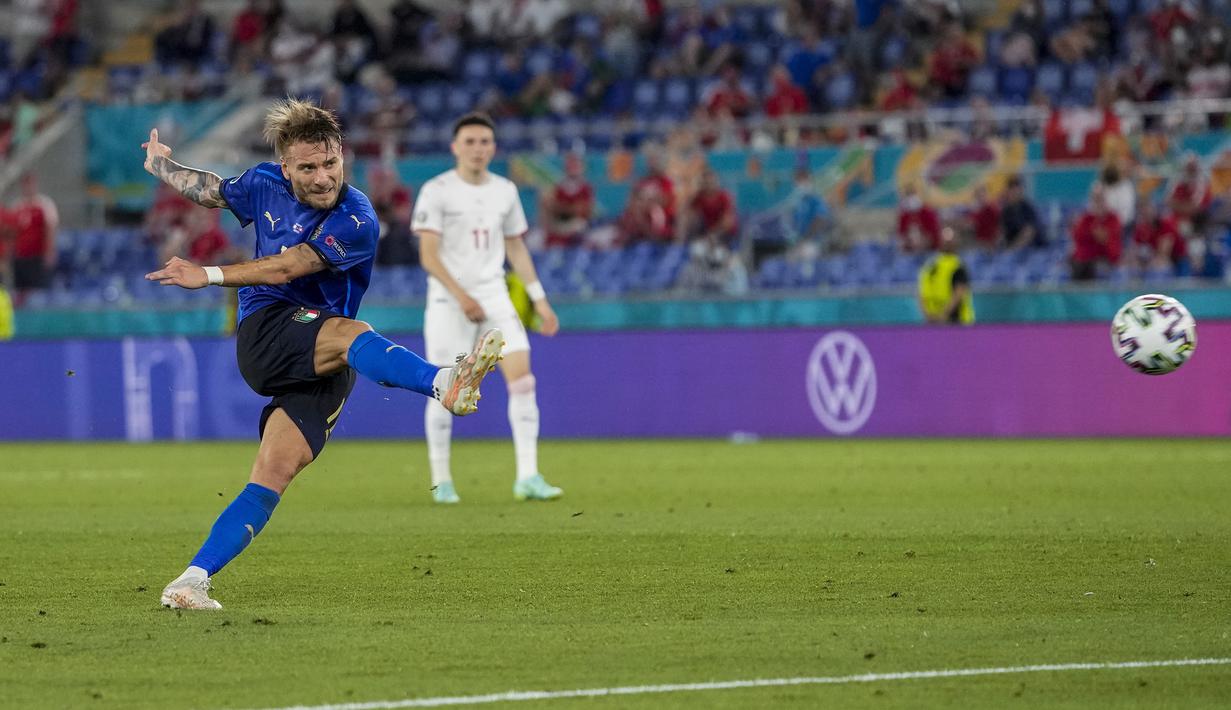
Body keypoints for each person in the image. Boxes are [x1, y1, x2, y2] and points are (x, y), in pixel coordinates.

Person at [145, 99, 505, 610]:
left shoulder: (357, 217)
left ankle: (190, 580)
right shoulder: (263, 183)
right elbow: (213, 193)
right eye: (308, 167)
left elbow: (291, 264)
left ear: (343, 157)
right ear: (286, 167)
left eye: (330, 164)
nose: (321, 178)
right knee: (350, 330)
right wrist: (162, 165)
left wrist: (207, 273)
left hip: (328, 360)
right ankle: (443, 382)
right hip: (270, 331)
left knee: (273, 474)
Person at [412, 112, 563, 505]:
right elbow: (428, 256)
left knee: (523, 379)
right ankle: (441, 479)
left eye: (485, 142)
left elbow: (516, 248)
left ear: (493, 148)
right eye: (470, 142)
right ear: (455, 147)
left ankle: (528, 475)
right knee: (445, 387)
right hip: (449, 300)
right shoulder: (437, 190)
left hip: (494, 296)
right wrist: (461, 295)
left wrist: (540, 299)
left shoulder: (505, 191)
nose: (478, 149)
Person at [8, 173, 58, 303]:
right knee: (21, 290)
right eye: (26, 185)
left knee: (38, 290)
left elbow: (50, 228)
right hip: (21, 255)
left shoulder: (44, 204)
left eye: (31, 184)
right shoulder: (17, 206)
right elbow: (12, 231)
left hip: (37, 255)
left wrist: (49, 252)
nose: (28, 187)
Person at [917, 227, 974, 325]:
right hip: (937, 320)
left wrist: (943, 315)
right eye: (946, 241)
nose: (948, 244)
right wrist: (928, 315)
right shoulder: (931, 265)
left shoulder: (957, 266)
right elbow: (922, 293)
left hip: (956, 320)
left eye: (949, 241)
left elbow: (958, 293)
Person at [1070, 183, 1123, 280]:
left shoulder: (1113, 218)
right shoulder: (1086, 218)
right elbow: (1078, 236)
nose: (1098, 202)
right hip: (1086, 262)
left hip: (1107, 261)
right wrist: (1095, 232)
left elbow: (1106, 238)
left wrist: (1095, 233)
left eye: (1101, 198)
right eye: (1095, 198)